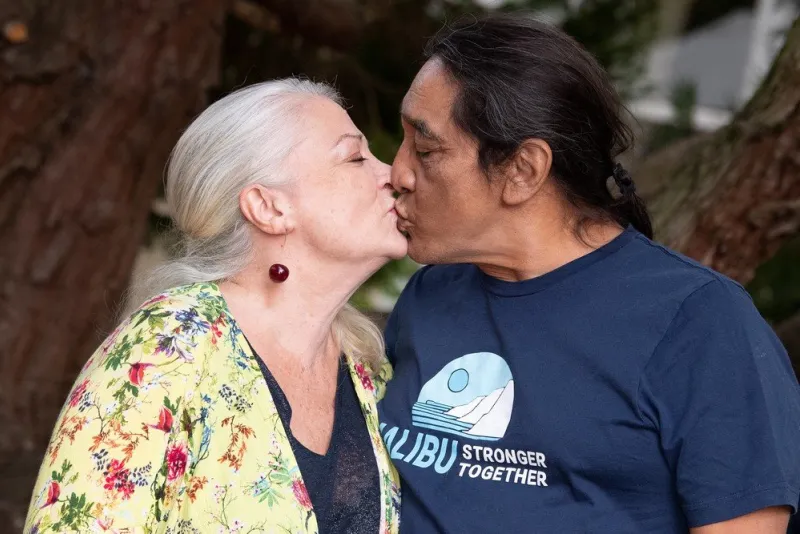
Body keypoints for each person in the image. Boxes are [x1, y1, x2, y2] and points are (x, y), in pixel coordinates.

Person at [379, 14, 800, 534]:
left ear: (522, 170)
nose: (395, 172)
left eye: (425, 150)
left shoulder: (702, 323)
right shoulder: (430, 294)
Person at [25, 79, 404, 533]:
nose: (393, 174)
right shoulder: (167, 347)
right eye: (355, 157)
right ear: (268, 207)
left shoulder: (370, 368)